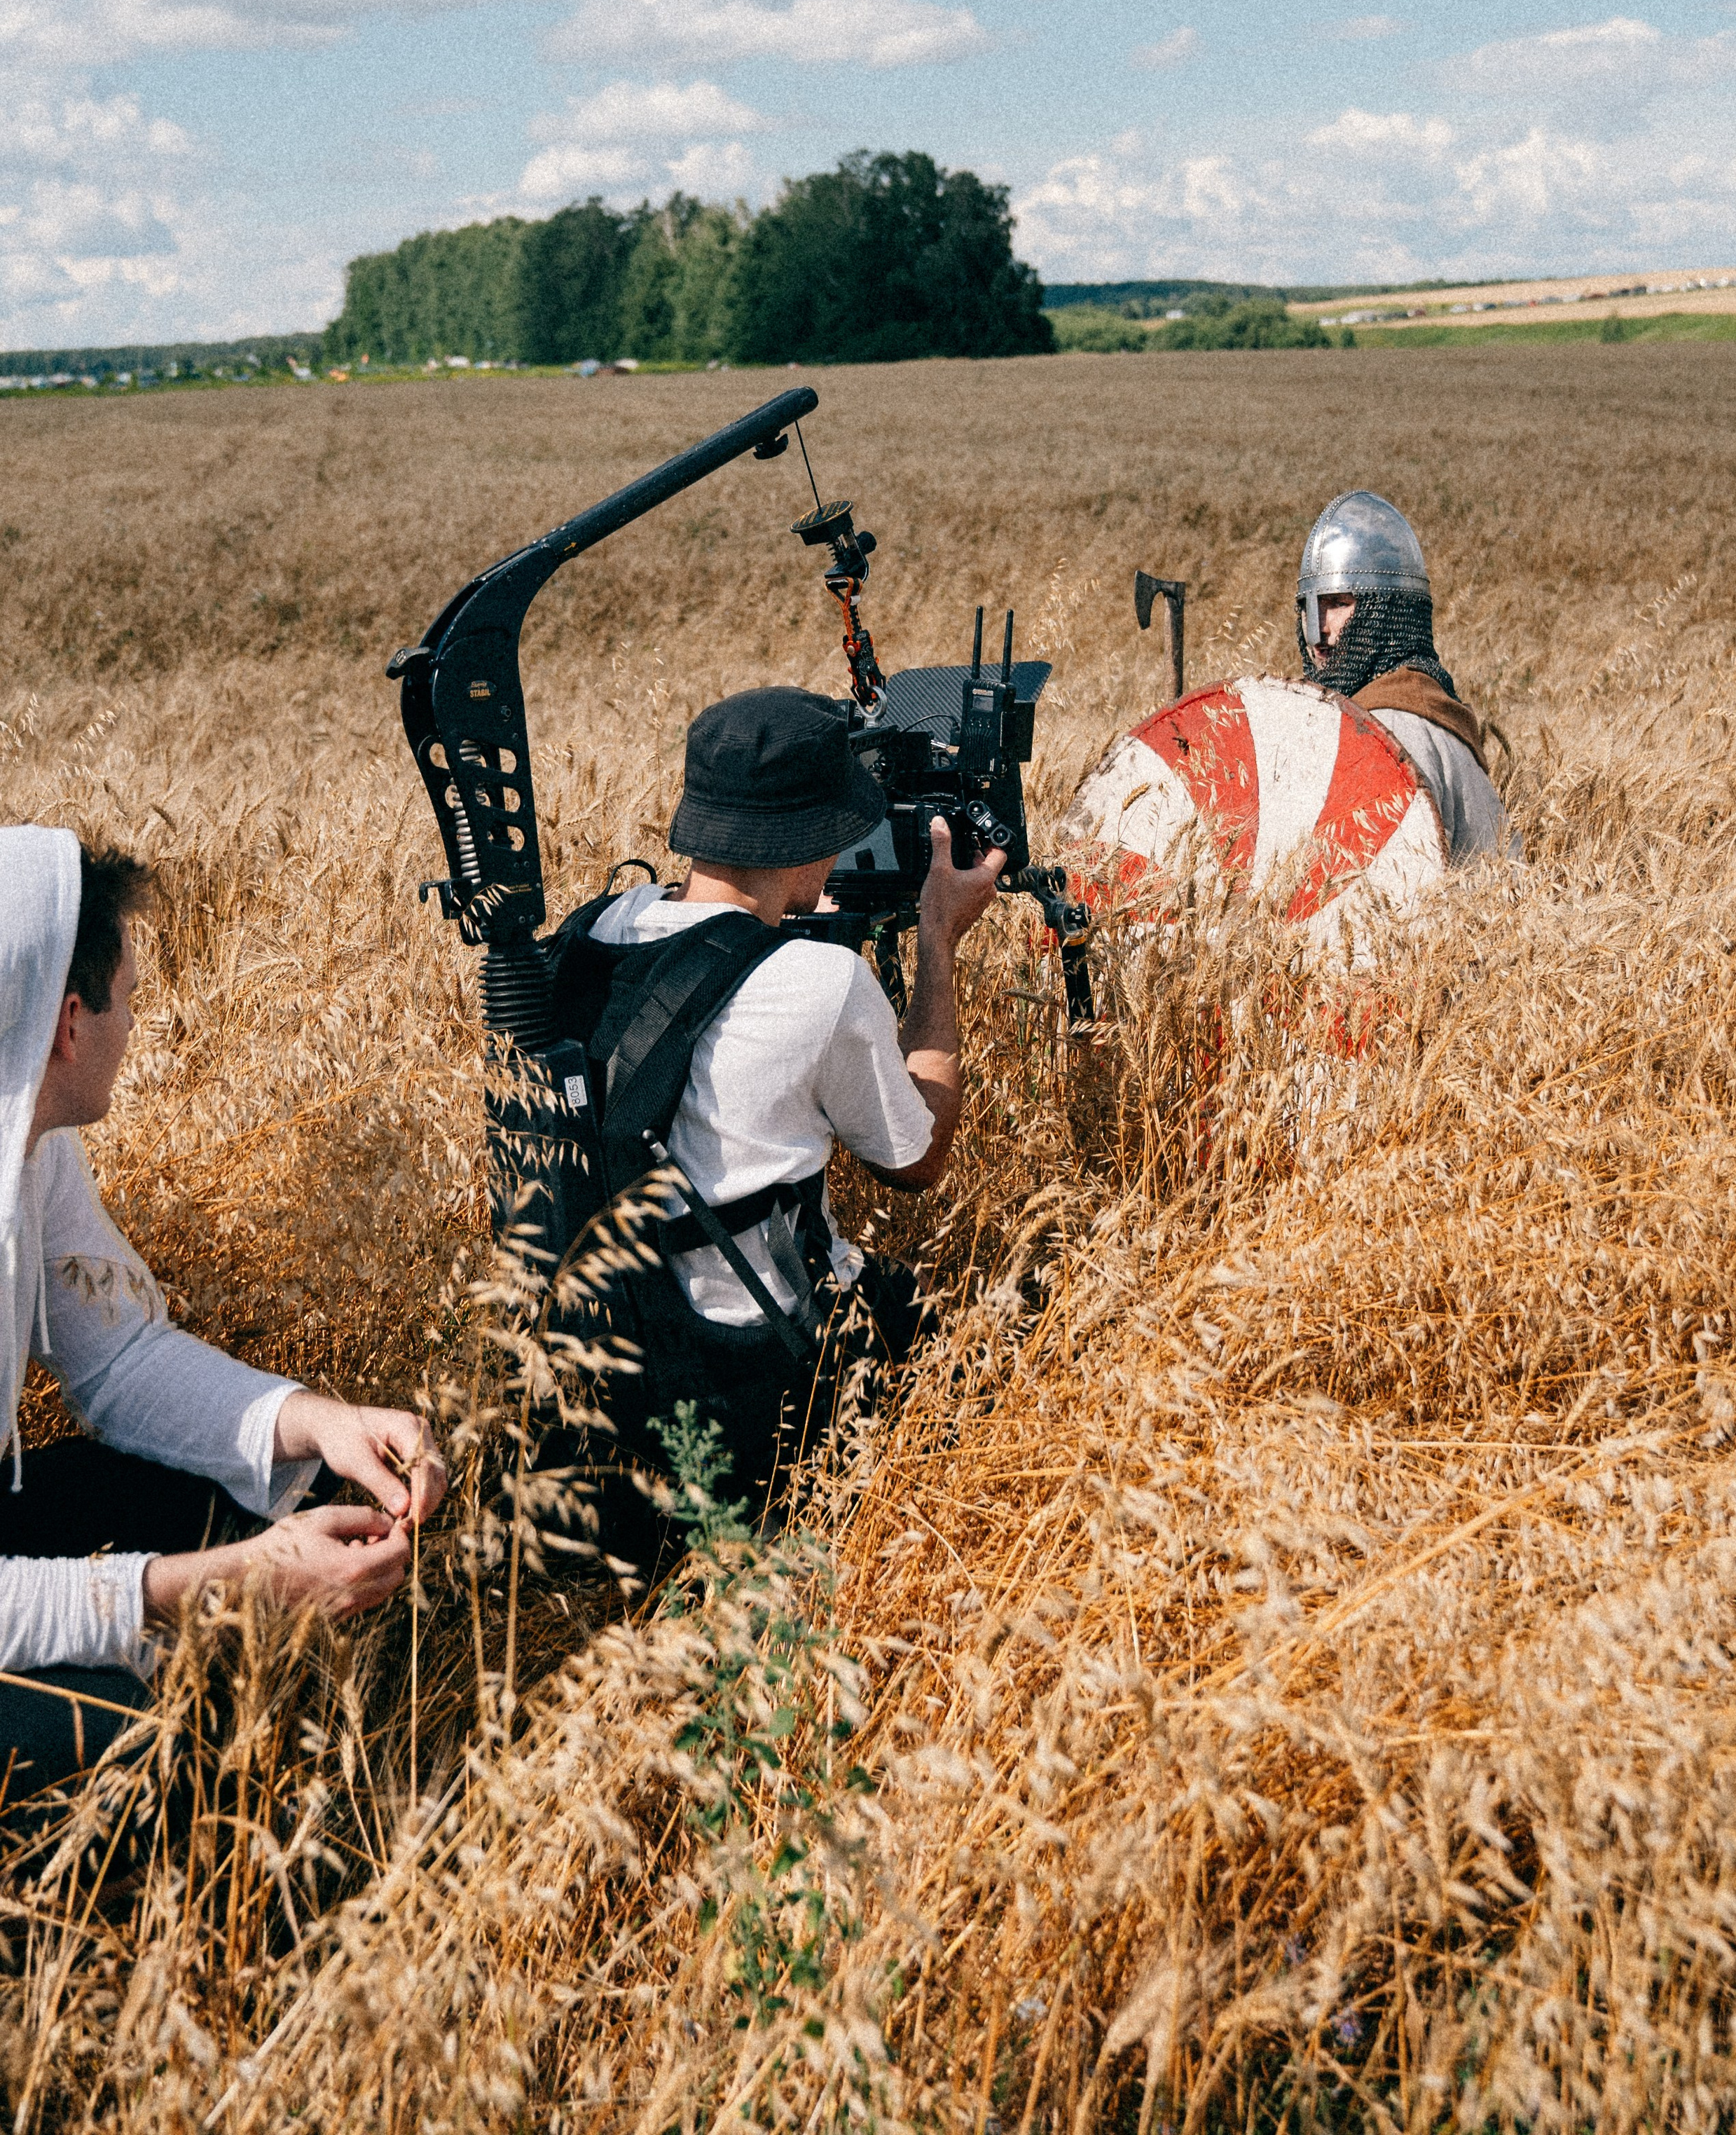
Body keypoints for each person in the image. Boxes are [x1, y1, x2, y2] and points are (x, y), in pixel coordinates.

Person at [0, 825, 447, 1797]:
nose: (137, 1025)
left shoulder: (25, 1131)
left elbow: (115, 1364)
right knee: (142, 1754)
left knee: (259, 1496)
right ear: (69, 1023)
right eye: (130, 1000)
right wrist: (212, 1589)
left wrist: (318, 1422)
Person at [539, 685, 1004, 1540]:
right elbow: (918, 1160)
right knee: (1006, 1337)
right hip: (757, 1394)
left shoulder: (593, 931)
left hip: (601, 1381)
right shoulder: (818, 985)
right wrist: (936, 938)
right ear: (812, 835)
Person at [1296, 490, 1517, 862]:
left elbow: (1401, 887)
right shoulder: (1412, 702)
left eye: (1337, 604)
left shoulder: (1393, 726)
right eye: (1309, 607)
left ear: (1386, 613)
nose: (1318, 632)